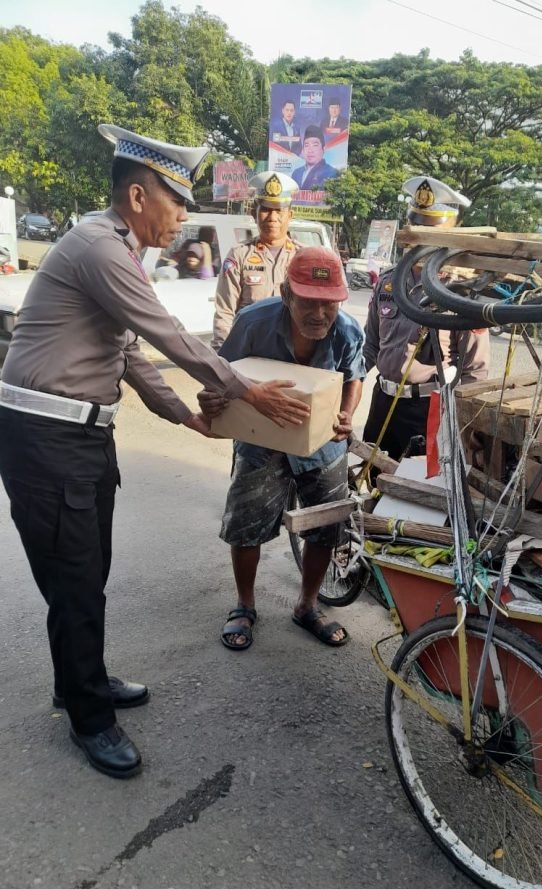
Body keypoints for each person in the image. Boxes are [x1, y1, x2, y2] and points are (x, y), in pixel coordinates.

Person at [0, 124, 310, 780]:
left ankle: (79, 679)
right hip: (49, 439)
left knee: (85, 572)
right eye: (177, 201)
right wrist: (245, 389)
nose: (183, 217)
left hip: (81, 437)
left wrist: (189, 421)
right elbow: (166, 333)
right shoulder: (98, 247)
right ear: (139, 196)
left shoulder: (111, 251)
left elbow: (128, 353)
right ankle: (89, 717)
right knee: (77, 580)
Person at [199, 248, 365, 652]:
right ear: (287, 293)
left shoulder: (348, 331)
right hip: (260, 444)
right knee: (247, 525)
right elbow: (220, 376)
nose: (320, 314)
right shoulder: (253, 323)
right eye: (309, 301)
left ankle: (307, 606)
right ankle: (244, 605)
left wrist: (345, 414)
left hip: (322, 446)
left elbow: (352, 379)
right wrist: (212, 398)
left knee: (325, 526)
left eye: (329, 304)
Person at [363, 175, 490, 463]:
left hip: (428, 408)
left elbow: (475, 371)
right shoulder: (388, 282)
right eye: (414, 222)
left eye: (430, 227)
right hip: (383, 401)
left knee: (417, 492)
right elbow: (370, 346)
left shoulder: (460, 292)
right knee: (371, 480)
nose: (419, 234)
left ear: (452, 229)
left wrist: (458, 425)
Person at [211, 172, 303, 351]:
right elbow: (224, 312)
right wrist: (222, 355)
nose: (272, 218)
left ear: (290, 215)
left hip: (291, 353)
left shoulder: (303, 257)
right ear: (254, 213)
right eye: (266, 209)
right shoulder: (239, 256)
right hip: (248, 350)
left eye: (279, 211)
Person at [291, 127, 339, 191]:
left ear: (323, 149)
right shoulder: (296, 173)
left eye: (315, 145)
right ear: (303, 150)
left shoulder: (332, 173)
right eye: (306, 145)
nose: (310, 150)